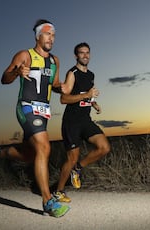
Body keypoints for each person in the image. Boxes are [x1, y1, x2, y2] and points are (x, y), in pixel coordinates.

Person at [0, 19, 70, 218]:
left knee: (29, 155)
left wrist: (61, 87)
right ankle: (48, 202)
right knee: (45, 147)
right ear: (38, 36)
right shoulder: (25, 55)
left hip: (44, 111)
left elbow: (54, 84)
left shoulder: (55, 60)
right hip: (26, 107)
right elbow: (4, 78)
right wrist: (16, 72)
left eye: (54, 35)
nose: (52, 38)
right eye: (48, 34)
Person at [53, 42, 110, 203]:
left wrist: (93, 102)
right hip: (72, 122)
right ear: (76, 56)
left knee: (104, 147)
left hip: (86, 119)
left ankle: (77, 169)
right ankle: (59, 192)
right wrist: (86, 96)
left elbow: (87, 93)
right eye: (81, 53)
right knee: (71, 159)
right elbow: (64, 99)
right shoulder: (72, 73)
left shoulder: (91, 74)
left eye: (87, 53)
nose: (85, 55)